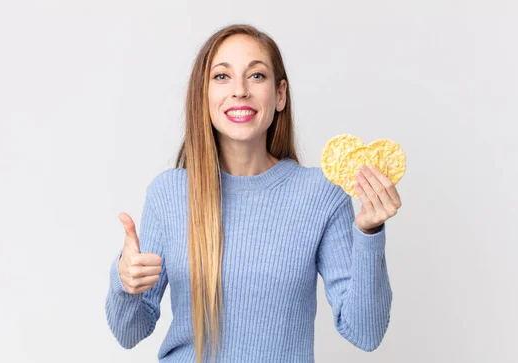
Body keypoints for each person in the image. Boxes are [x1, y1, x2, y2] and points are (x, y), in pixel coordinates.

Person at [105, 24, 401, 363]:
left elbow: (365, 332)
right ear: (203, 95)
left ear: (280, 95)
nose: (240, 91)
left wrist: (369, 233)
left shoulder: (322, 194)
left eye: (257, 76)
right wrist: (124, 282)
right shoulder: (168, 194)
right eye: (222, 77)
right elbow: (129, 334)